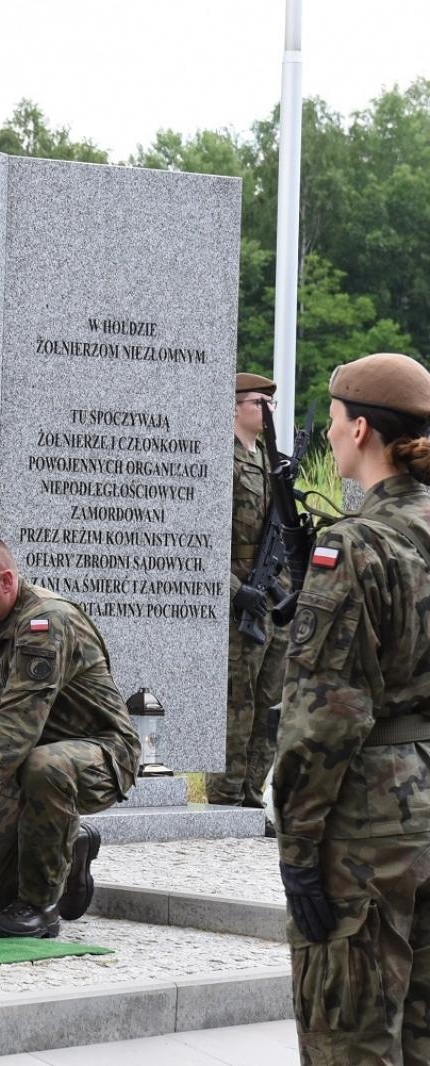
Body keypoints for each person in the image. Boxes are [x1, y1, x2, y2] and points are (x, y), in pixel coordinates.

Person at [271, 352, 430, 1065]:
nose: (330, 438)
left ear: (361, 429)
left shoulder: (357, 544)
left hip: (368, 820)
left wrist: (298, 849)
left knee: (351, 1038)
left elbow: (324, 716)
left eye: (333, 423)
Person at [0, 528, 139, 939]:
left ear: (6, 581)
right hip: (20, 767)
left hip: (98, 755)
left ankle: (41, 906)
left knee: (44, 766)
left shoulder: (47, 623)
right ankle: (69, 843)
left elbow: (17, 725)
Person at [210, 371, 288, 809]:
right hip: (238, 598)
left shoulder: (270, 461)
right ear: (234, 407)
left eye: (269, 404)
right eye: (259, 402)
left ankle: (252, 794)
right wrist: (236, 589)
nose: (267, 411)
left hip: (270, 597)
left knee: (268, 702)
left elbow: (282, 536)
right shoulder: (221, 460)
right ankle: (224, 797)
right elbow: (201, 540)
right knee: (235, 703)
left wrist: (283, 595)